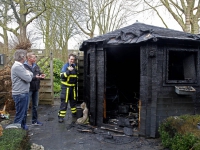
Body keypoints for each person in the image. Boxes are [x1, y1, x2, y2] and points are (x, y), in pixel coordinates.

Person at [11, 49, 33, 130]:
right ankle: (15, 132)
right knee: (20, 114)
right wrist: (29, 73)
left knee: (23, 113)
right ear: (22, 57)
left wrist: (28, 73)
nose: (26, 58)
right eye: (26, 56)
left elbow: (28, 74)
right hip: (20, 94)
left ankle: (23, 130)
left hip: (23, 93)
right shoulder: (17, 67)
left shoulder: (20, 66)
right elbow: (28, 78)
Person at [24, 52, 46, 125]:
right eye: (34, 58)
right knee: (26, 107)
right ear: (29, 58)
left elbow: (39, 73)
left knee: (35, 106)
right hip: (28, 89)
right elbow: (25, 77)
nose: (35, 59)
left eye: (35, 57)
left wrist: (41, 75)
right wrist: (35, 77)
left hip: (36, 88)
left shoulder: (36, 65)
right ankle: (23, 123)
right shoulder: (24, 66)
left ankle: (35, 121)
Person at [58, 53, 78, 123]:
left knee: (73, 101)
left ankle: (74, 114)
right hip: (65, 88)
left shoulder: (75, 66)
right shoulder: (65, 66)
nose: (72, 61)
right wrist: (68, 71)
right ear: (68, 59)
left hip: (73, 88)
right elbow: (62, 76)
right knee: (64, 102)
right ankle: (61, 117)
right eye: (71, 59)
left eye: (73, 59)